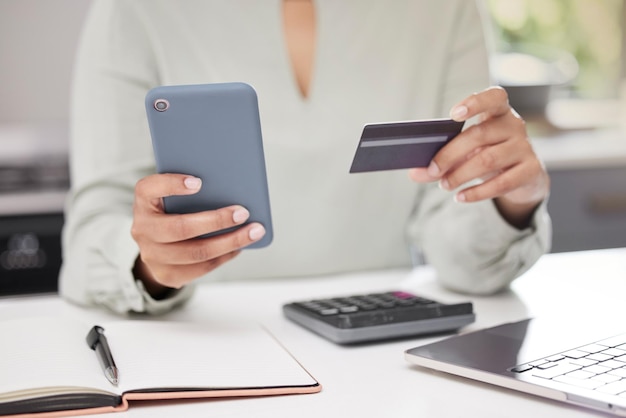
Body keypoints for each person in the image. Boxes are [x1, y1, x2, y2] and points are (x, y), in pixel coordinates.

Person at [60, 0, 551, 315]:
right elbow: (90, 238)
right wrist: (150, 264)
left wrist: (509, 200)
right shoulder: (133, 9)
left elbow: (464, 256)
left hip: (384, 343)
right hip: (202, 346)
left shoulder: (445, 9)